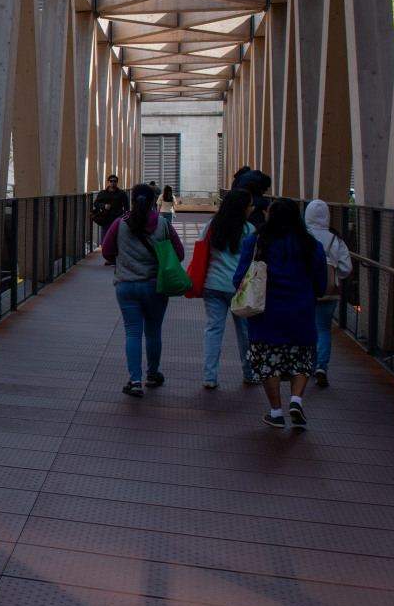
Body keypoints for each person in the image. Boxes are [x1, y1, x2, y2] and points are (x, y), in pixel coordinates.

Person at [234, 199, 326, 428]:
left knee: (268, 362)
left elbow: (239, 278)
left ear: (270, 216)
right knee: (301, 359)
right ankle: (296, 400)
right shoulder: (312, 246)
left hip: (266, 313)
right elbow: (321, 284)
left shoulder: (255, 243)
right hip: (301, 312)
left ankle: (276, 412)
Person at [102, 183, 184, 396]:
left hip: (126, 285)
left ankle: (135, 380)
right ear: (153, 201)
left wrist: (122, 261)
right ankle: (153, 374)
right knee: (153, 331)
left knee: (132, 332)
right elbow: (179, 253)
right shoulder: (163, 224)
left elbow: (107, 251)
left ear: (131, 200)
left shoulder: (120, 223)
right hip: (155, 286)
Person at [196, 189, 255, 388]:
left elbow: (201, 247)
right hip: (239, 288)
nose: (252, 209)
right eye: (250, 206)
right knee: (245, 331)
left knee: (213, 329)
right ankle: (249, 372)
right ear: (242, 208)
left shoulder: (212, 225)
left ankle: (209, 376)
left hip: (212, 284)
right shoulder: (249, 230)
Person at [305, 200, 353, 387]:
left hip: (306, 289)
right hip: (329, 290)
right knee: (324, 328)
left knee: (307, 325)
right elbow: (346, 268)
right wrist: (335, 274)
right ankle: (322, 366)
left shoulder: (302, 236)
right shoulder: (336, 240)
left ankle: (310, 362)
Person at [92, 174, 129, 243]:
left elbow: (126, 205)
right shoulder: (103, 193)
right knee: (106, 236)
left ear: (117, 182)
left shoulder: (122, 193)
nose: (113, 183)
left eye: (114, 181)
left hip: (118, 218)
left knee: (117, 236)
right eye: (111, 181)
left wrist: (124, 215)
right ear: (108, 182)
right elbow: (96, 203)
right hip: (106, 218)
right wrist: (104, 206)